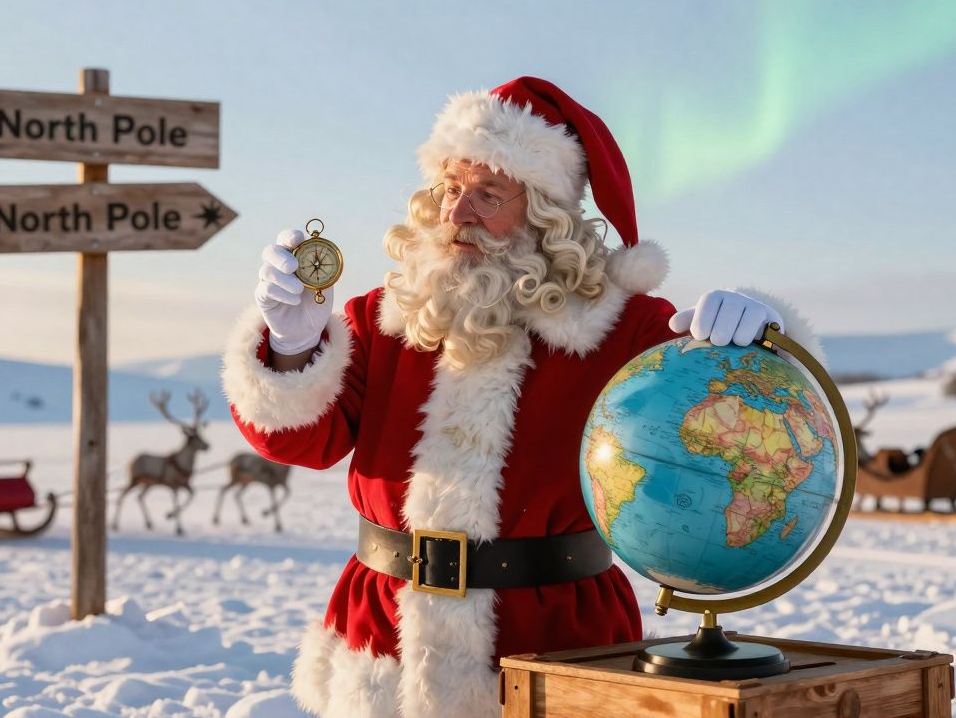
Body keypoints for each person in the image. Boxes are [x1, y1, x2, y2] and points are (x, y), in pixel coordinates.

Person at [222, 77, 820, 718]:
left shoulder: (626, 329)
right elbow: (298, 443)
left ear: (545, 212)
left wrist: (760, 343)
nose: (457, 213)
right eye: (450, 188)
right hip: (384, 643)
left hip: (556, 641)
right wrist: (291, 348)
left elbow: (753, 419)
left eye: (487, 193)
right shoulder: (383, 316)